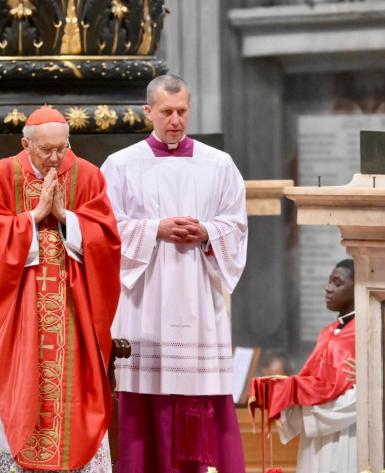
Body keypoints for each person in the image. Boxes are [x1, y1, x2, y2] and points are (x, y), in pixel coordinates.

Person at [101, 74, 249, 473]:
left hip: (199, 298)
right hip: (145, 298)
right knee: (145, 401)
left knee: (200, 389)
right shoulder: (121, 165)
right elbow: (104, 229)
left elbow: (236, 226)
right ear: (148, 111)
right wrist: (154, 229)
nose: (175, 120)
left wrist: (207, 232)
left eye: (182, 111)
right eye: (166, 112)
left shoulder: (218, 164)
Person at [0, 107, 121, 473]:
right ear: (26, 144)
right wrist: (32, 218)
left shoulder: (87, 176)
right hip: (14, 307)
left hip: (73, 307)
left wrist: (68, 218)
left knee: (76, 393)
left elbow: (108, 239)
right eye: (46, 150)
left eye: (62, 149)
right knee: (12, 391)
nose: (56, 159)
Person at [249, 259, 357, 473]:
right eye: (329, 281)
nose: (328, 288)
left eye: (337, 283)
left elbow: (365, 393)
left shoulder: (364, 331)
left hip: (344, 432)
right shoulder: (328, 332)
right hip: (315, 433)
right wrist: (285, 392)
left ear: (358, 288)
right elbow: (313, 383)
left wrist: (308, 406)